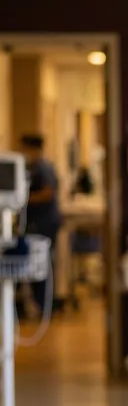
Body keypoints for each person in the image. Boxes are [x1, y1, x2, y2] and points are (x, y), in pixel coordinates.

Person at [19, 134, 61, 315]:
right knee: (37, 264)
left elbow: (47, 193)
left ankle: (45, 306)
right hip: (39, 222)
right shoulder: (34, 168)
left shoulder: (44, 168)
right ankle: (40, 304)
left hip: (45, 223)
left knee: (42, 264)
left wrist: (23, 199)